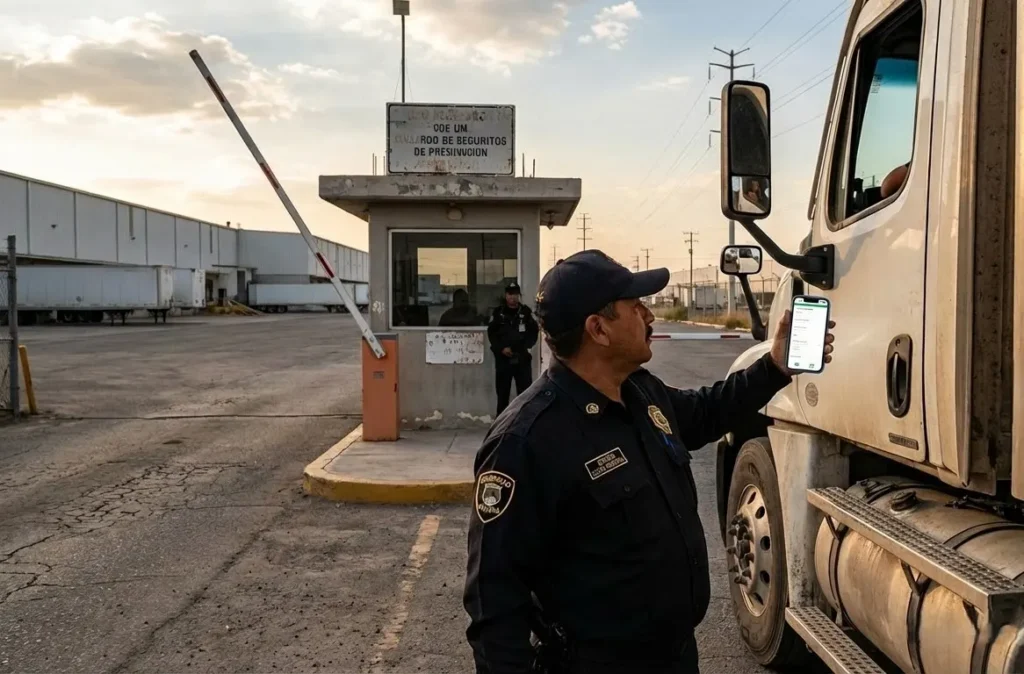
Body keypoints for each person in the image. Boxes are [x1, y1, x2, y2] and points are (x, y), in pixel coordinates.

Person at [464, 250, 836, 674]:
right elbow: (494, 602)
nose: (650, 315)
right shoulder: (524, 442)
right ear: (598, 329)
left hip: (675, 657)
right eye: (635, 306)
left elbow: (706, 413)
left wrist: (774, 367)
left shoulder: (639, 391)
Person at [487, 282, 540, 415]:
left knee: (525, 394)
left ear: (519, 296)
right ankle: (500, 425)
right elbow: (492, 334)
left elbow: (534, 331)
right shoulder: (499, 313)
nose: (513, 297)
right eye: (510, 294)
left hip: (521, 359)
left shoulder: (525, 312)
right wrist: (501, 348)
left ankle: (524, 423)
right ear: (506, 296)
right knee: (503, 394)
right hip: (503, 361)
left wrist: (525, 347)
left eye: (516, 294)